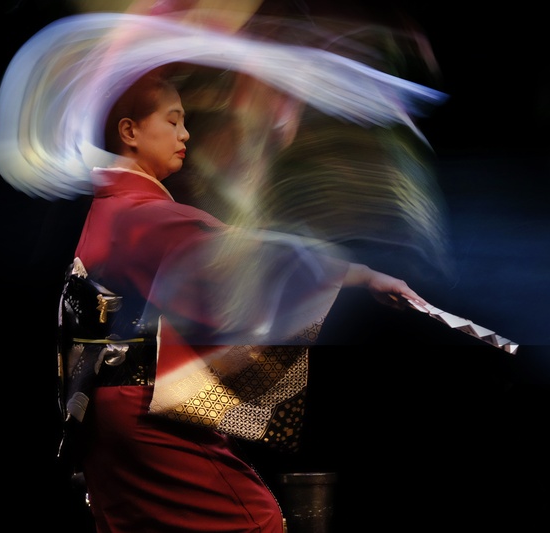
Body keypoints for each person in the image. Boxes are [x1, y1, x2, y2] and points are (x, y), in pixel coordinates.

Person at [55, 64, 429, 533]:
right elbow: (247, 257)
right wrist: (362, 274)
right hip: (139, 408)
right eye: (172, 120)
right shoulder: (138, 214)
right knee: (255, 521)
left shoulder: (111, 209)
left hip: (102, 411)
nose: (184, 133)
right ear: (130, 130)